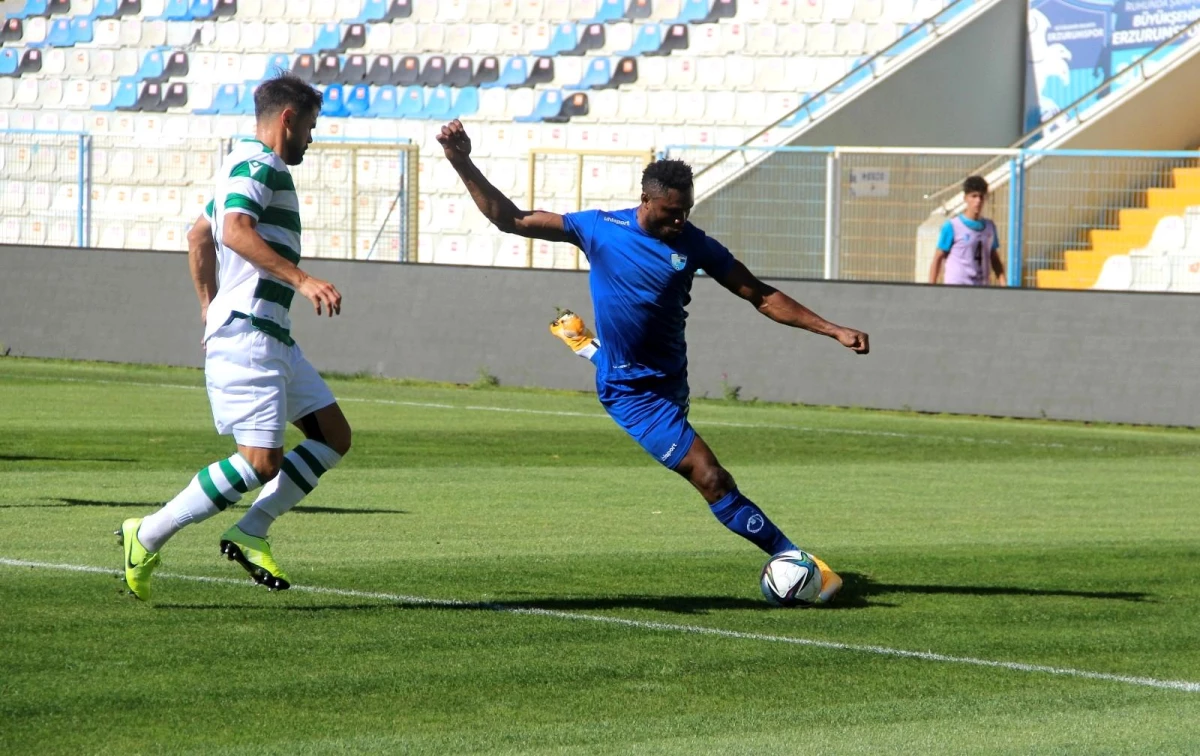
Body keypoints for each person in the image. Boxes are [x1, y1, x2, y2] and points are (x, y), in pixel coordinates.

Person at [438, 119, 870, 605]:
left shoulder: (696, 245)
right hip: (634, 397)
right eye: (671, 212)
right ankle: (794, 558)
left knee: (646, 388)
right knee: (710, 476)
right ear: (646, 201)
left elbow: (762, 295)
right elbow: (510, 219)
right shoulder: (600, 229)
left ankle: (588, 347)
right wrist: (461, 161)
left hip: (670, 381)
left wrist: (832, 328)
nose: (679, 221)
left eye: (686, 211)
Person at [117, 74, 352, 600]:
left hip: (271, 336)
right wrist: (302, 278)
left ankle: (251, 528)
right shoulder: (258, 164)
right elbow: (231, 231)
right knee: (259, 462)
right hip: (250, 335)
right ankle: (147, 533)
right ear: (287, 120)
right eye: (310, 127)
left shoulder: (239, 166)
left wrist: (207, 305)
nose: (311, 139)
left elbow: (198, 233)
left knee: (334, 435)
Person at [929, 175, 1005, 286]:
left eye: (981, 196)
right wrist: (931, 287)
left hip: (981, 287)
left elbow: (994, 258)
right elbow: (938, 257)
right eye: (973, 196)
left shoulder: (990, 227)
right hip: (957, 287)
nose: (978, 201)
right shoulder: (952, 226)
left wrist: (1003, 283)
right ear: (965, 198)